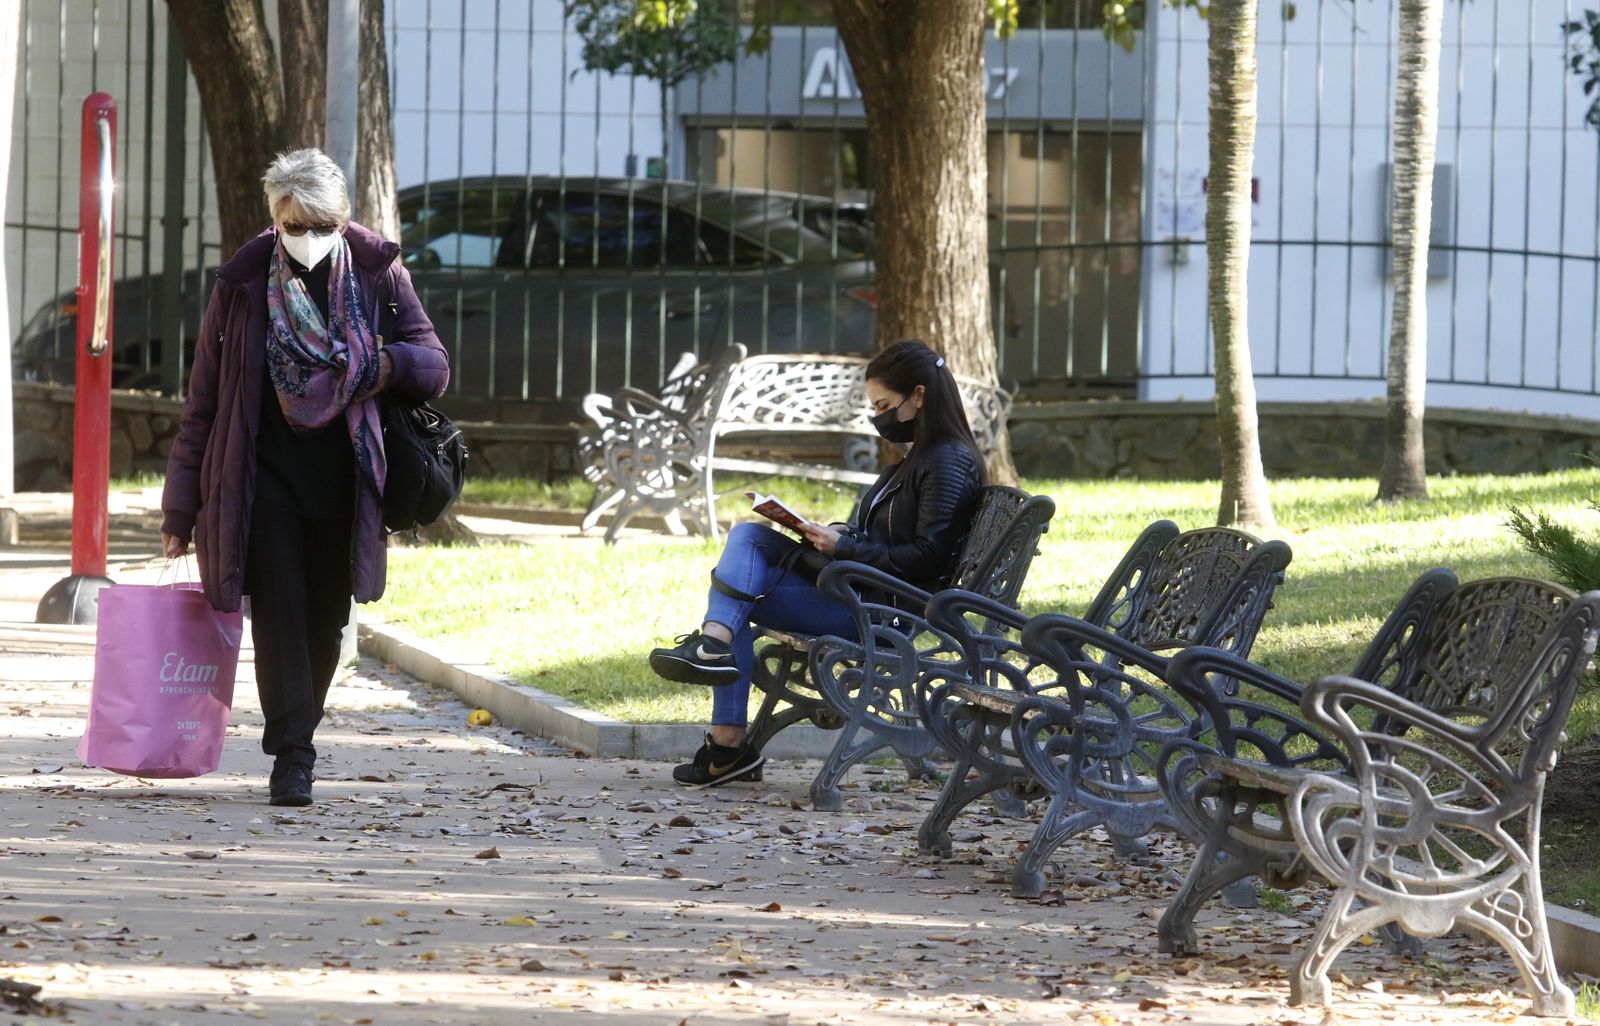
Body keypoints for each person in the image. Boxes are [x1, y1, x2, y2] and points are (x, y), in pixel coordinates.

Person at [160, 148, 449, 807]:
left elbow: (433, 364)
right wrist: (181, 508)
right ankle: (292, 755)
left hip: (346, 478)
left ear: (343, 221)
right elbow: (203, 400)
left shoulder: (377, 270)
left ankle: (300, 731)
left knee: (325, 619)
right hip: (263, 477)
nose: (310, 239)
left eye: (323, 226)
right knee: (281, 613)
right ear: (276, 221)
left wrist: (377, 362)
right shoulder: (242, 283)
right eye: (296, 226)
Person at [648, 339, 986, 788]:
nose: (877, 416)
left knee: (738, 595)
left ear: (919, 396)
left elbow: (927, 558)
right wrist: (841, 534)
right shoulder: (919, 460)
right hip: (862, 592)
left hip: (884, 613)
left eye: (884, 404)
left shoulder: (946, 461)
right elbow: (891, 536)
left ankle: (725, 733)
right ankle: (717, 671)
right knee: (748, 539)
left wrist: (843, 550)